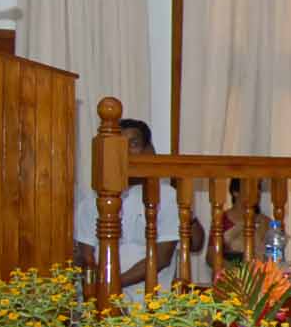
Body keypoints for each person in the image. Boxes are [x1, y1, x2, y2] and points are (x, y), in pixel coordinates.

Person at [71, 119, 206, 301]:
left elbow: (161, 258)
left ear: (149, 151)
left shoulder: (166, 196)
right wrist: (101, 292)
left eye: (133, 144)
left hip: (148, 302)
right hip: (100, 298)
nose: (126, 151)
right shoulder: (91, 200)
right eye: (119, 146)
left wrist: (114, 285)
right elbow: (87, 257)